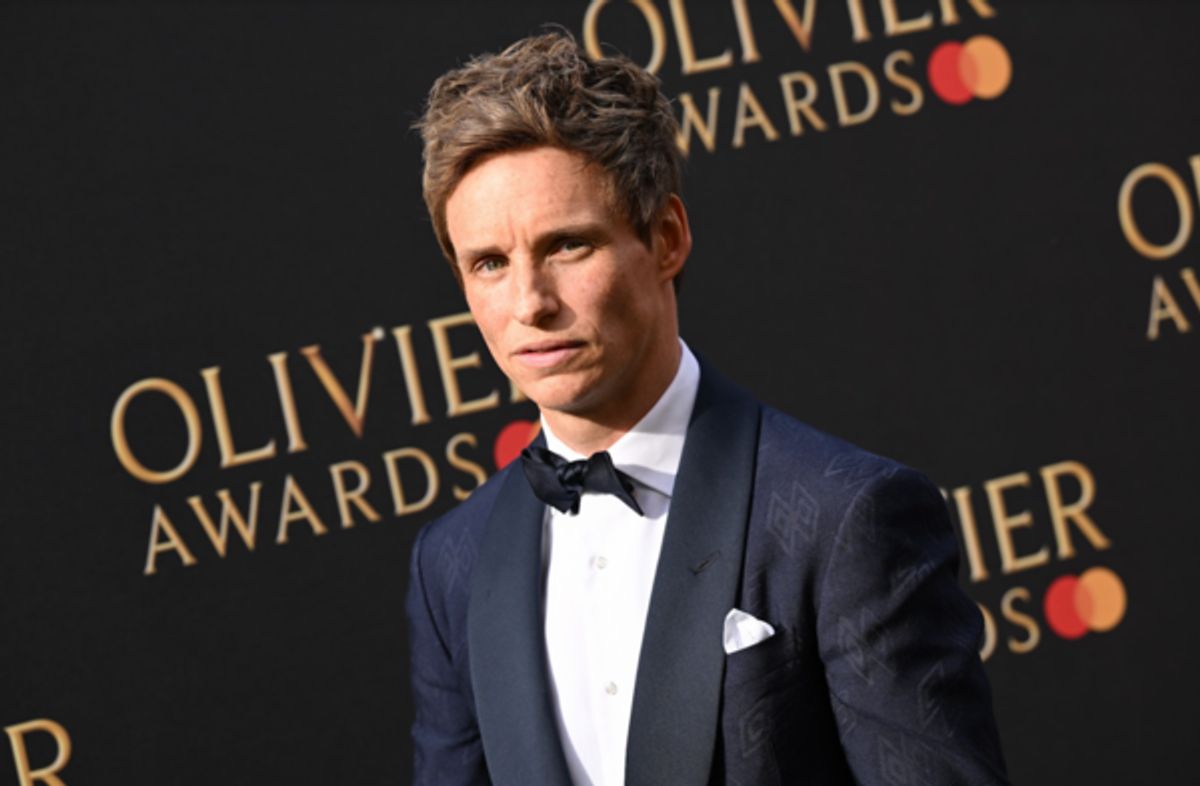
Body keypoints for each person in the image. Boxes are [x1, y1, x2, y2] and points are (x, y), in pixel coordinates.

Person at [406, 31, 1008, 786]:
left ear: (665, 239)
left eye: (567, 247)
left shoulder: (842, 517)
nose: (529, 303)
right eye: (489, 264)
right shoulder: (452, 561)